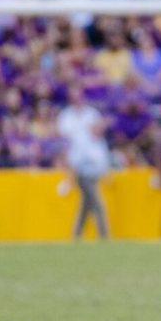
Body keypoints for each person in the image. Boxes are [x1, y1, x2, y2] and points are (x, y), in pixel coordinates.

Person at [57, 87, 111, 240]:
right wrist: (70, 179)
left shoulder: (100, 142)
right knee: (99, 205)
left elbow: (103, 162)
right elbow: (75, 162)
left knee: (86, 207)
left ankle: (76, 235)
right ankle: (105, 235)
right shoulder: (83, 141)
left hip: (95, 176)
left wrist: (106, 174)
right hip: (85, 176)